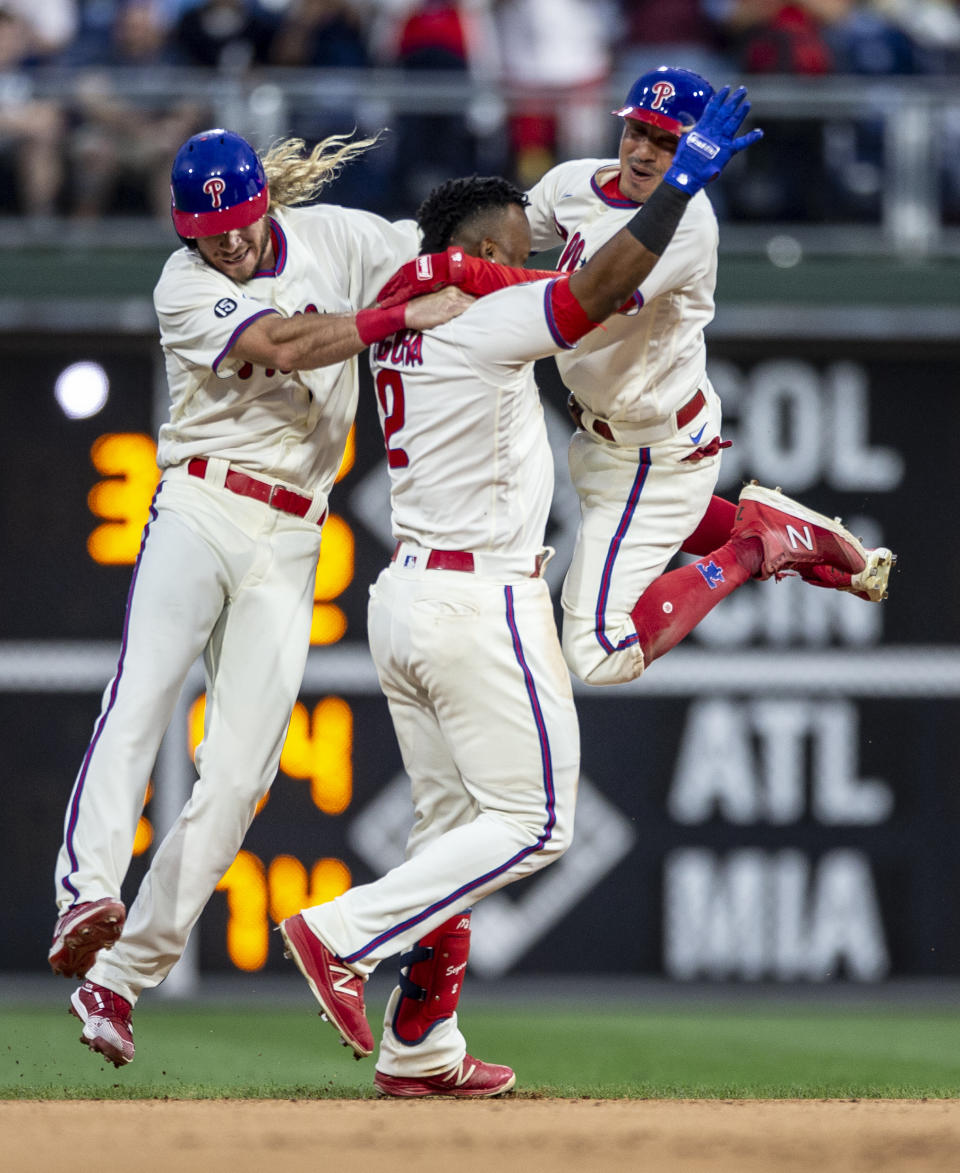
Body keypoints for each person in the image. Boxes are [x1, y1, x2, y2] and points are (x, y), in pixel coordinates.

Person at [277, 87, 865, 1098]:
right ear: (476, 248)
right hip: (481, 604)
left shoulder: (418, 309)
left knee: (450, 829)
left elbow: (522, 264)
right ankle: (341, 935)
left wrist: (458, 258)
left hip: (401, 601)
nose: (527, 253)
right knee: (541, 825)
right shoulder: (491, 311)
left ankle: (421, 1045)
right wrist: (675, 182)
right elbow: (585, 296)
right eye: (512, 243)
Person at [47, 127, 470, 1067]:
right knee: (141, 698)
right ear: (184, 229)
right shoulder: (183, 283)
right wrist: (390, 318)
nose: (227, 243)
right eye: (209, 230)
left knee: (239, 778)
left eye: (237, 223)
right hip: (202, 498)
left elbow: (438, 255)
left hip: (294, 534)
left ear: (262, 206)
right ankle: (87, 890)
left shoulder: (338, 239)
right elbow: (280, 342)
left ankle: (115, 981)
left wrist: (537, 253)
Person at [373, 65, 896, 690]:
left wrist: (462, 273)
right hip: (602, 434)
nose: (644, 151)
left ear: (694, 156)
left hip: (656, 449)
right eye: (638, 131)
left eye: (667, 141)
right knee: (647, 527)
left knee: (599, 653)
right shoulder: (575, 183)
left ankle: (756, 544)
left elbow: (589, 301)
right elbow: (499, 239)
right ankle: (782, 531)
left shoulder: (688, 224)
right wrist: (426, 252)